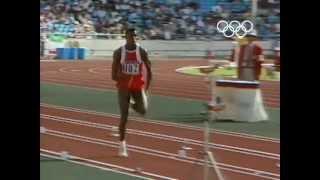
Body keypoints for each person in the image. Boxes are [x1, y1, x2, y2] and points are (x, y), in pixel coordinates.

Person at [111, 28, 152, 157]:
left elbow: (150, 72)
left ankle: (131, 105)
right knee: (124, 116)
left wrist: (146, 89)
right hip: (123, 87)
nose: (133, 38)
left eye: (135, 36)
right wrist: (124, 76)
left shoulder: (142, 51)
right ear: (126, 37)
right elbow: (113, 76)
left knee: (143, 110)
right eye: (130, 36)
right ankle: (122, 145)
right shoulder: (119, 53)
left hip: (137, 86)